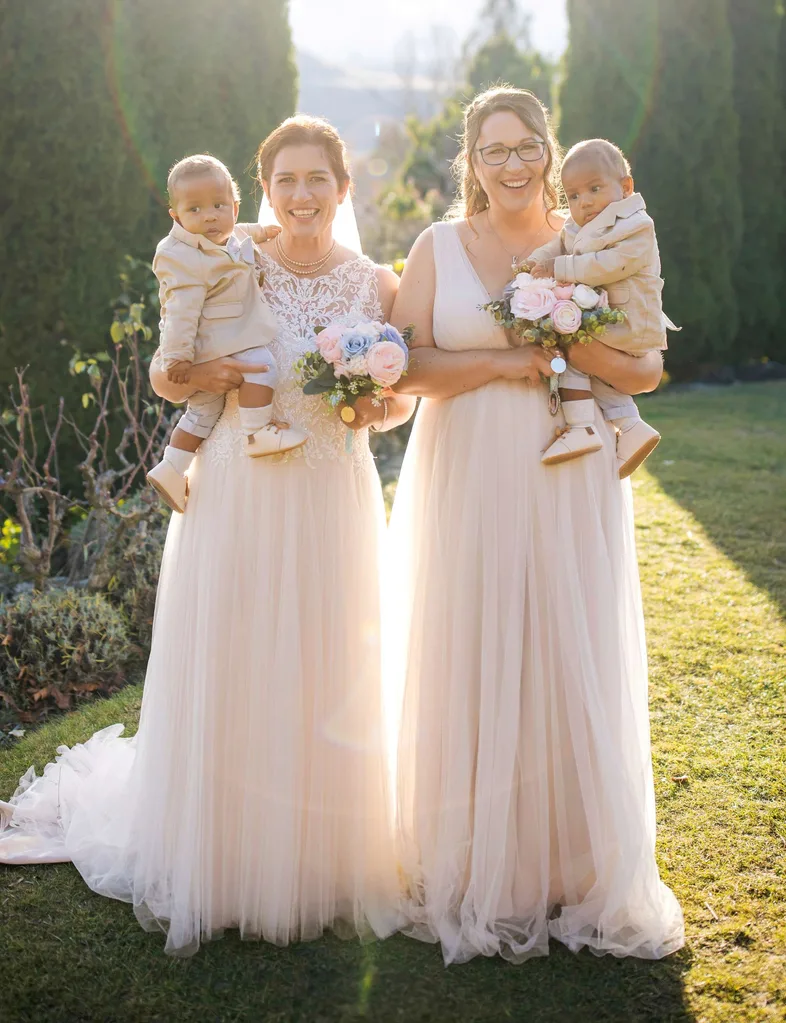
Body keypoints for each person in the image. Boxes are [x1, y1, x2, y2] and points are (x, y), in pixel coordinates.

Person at [0, 116, 414, 956]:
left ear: (345, 188)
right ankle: (224, 852)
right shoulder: (230, 253)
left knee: (326, 658)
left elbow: (404, 394)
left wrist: (377, 402)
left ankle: (322, 852)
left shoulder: (377, 283)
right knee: (238, 653)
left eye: (317, 180)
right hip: (237, 484)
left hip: (333, 486)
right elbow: (165, 370)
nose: (301, 196)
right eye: (285, 180)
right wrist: (223, 375)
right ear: (265, 189)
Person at [388, 86, 685, 965]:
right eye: (494, 150)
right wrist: (512, 355)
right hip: (467, 469)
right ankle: (480, 860)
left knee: (565, 639)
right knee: (474, 641)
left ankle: (572, 862)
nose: (511, 164)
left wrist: (561, 339)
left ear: (550, 153)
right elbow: (406, 368)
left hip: (571, 463)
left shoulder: (592, 237)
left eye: (526, 148)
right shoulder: (436, 246)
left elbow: (645, 364)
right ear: (470, 162)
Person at [146, 153, 306, 515]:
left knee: (204, 412)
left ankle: (172, 468)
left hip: (219, 340)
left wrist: (264, 231)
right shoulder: (183, 257)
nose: (209, 217)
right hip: (216, 343)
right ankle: (258, 430)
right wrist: (178, 360)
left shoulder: (227, 233)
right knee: (261, 365)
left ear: (234, 207)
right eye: (195, 210)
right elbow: (179, 315)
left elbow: (241, 233)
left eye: (219, 206)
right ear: (176, 217)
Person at [527, 138, 672, 476]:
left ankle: (582, 428)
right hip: (610, 319)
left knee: (571, 358)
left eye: (594, 188)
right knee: (591, 368)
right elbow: (557, 245)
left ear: (625, 186)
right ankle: (632, 427)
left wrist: (558, 269)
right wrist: (535, 261)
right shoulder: (579, 226)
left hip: (631, 322)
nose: (585, 202)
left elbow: (609, 265)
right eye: (574, 196)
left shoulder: (637, 226)